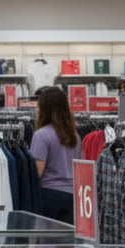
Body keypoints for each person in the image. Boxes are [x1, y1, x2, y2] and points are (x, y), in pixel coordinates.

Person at [30, 85, 81, 223]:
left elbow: (37, 171)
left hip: (49, 195)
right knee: (66, 242)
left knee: (47, 241)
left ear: (44, 108)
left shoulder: (41, 135)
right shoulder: (74, 136)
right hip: (72, 196)